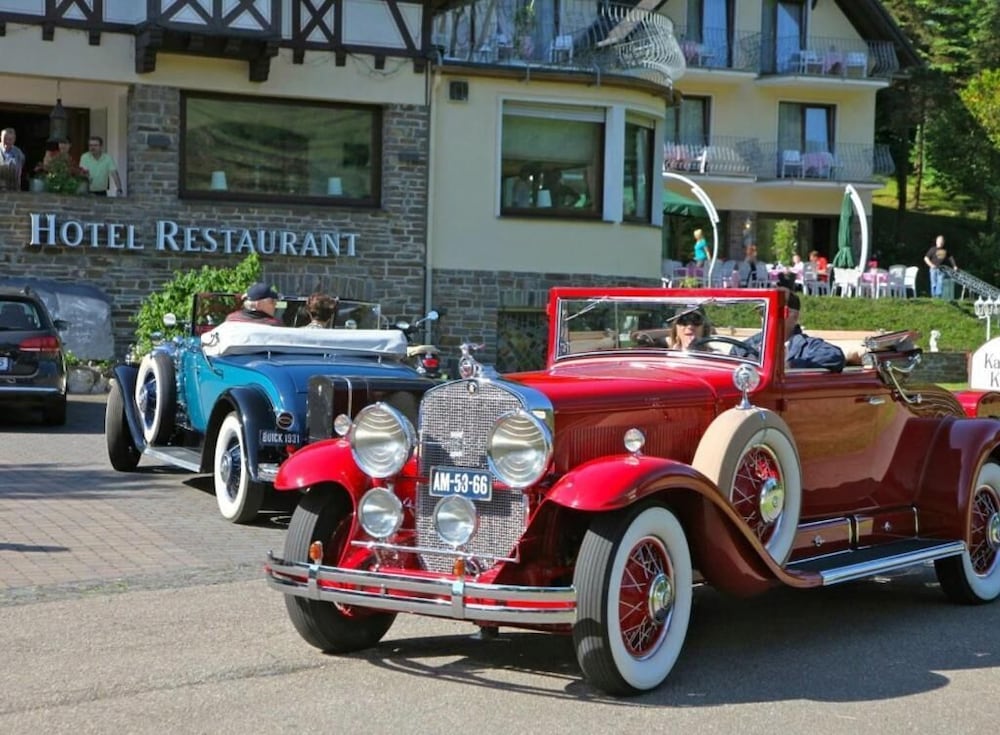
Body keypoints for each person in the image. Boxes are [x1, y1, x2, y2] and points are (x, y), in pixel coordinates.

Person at [735, 289, 845, 371]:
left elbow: (835, 356)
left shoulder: (808, 346)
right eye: (762, 312)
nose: (767, 317)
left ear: (795, 316)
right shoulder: (746, 346)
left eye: (774, 312)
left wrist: (791, 365)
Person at [1, 127, 25, 191]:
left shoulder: (18, 153)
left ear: (14, 140)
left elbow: (21, 166)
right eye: (5, 138)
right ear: (0, 137)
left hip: (14, 189)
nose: (7, 141)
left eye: (10, 139)